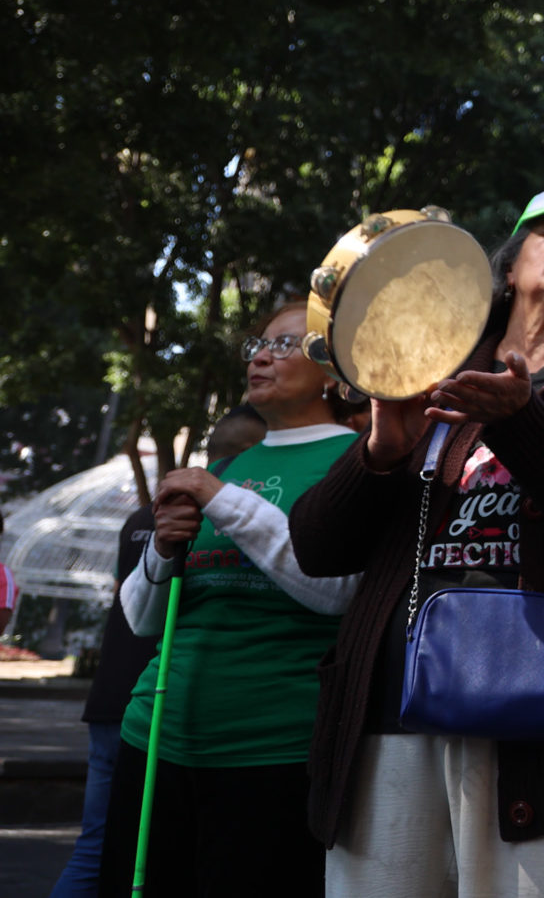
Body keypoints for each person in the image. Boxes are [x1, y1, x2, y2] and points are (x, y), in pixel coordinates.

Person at [290, 186, 544, 896]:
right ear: (507, 268)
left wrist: (521, 417)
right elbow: (317, 548)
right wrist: (380, 450)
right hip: (391, 721)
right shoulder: (422, 376)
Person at [97, 305, 365, 897]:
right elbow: (143, 618)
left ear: (335, 369)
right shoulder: (228, 464)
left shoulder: (355, 462)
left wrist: (221, 500)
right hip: (155, 736)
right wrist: (163, 552)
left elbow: (337, 593)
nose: (261, 357)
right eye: (258, 345)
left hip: (271, 751)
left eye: (287, 344)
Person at [49, 405, 264, 898]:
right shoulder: (207, 518)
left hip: (114, 696)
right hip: (155, 700)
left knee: (98, 844)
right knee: (122, 853)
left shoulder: (140, 518)